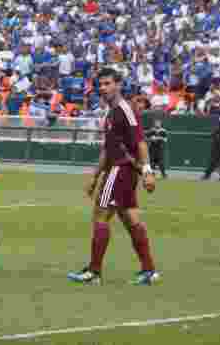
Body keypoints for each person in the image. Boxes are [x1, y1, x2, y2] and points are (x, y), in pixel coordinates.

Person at [68, 68, 158, 287]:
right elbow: (108, 149)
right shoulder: (111, 113)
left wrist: (147, 172)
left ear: (119, 84)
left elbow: (141, 142)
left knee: (100, 215)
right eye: (101, 84)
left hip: (121, 169)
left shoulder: (126, 110)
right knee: (130, 219)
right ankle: (148, 270)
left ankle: (94, 272)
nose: (103, 88)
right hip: (120, 170)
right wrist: (94, 175)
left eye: (108, 83)